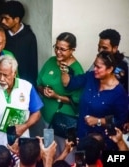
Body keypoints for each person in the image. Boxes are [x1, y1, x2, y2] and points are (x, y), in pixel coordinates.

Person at [61, 51, 128, 151]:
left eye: (99, 67)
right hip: (82, 136)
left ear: (110, 69)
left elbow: (119, 120)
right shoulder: (90, 77)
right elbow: (70, 83)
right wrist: (64, 70)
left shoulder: (118, 93)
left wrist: (98, 121)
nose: (95, 69)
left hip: (101, 144)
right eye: (94, 65)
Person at [0, 56, 43, 147]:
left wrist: (24, 126)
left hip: (21, 147)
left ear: (14, 73)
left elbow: (37, 113)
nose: (1, 79)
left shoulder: (27, 87)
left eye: (5, 75)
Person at [37, 32, 84, 163]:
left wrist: (56, 96)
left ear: (72, 50)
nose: (58, 52)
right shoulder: (51, 61)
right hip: (47, 118)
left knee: (64, 155)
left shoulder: (77, 70)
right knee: (48, 151)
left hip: (65, 122)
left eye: (62, 49)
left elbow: (77, 100)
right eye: (56, 47)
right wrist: (43, 90)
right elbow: (39, 83)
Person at [1, 0, 38, 87]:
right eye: (2, 18)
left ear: (16, 19)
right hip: (3, 81)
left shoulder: (29, 37)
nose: (2, 21)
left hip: (22, 83)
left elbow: (32, 66)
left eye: (6, 18)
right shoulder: (2, 34)